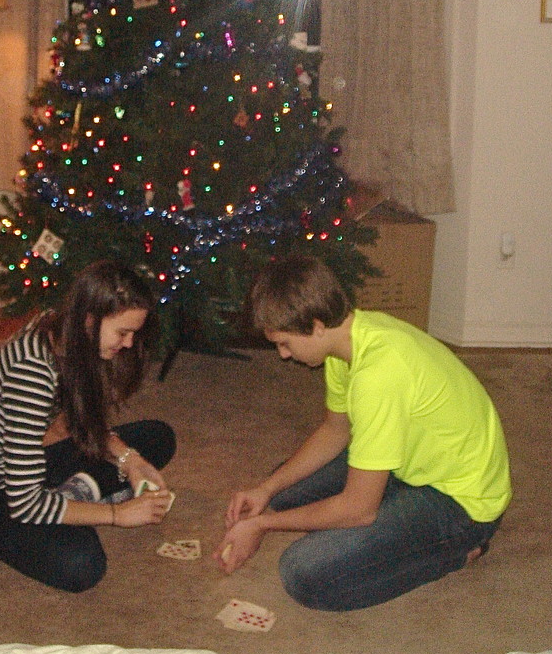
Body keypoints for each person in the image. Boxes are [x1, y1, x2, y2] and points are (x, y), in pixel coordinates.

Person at [213, 255, 511, 611]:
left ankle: (458, 550)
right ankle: (390, 507)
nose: (282, 355)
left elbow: (358, 511)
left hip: (462, 500)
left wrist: (263, 525)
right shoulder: (348, 343)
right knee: (285, 490)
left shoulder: (378, 374)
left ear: (317, 325)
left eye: (285, 343)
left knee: (305, 574)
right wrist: (264, 490)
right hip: (412, 464)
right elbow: (334, 430)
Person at [0, 260, 176, 592]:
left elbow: (73, 421)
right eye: (123, 332)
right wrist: (118, 514)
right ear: (90, 321)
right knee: (81, 564)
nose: (129, 344)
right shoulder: (31, 373)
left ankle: (72, 496)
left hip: (23, 461)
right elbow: (25, 501)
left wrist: (129, 459)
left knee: (156, 438)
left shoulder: (60, 330)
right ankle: (75, 499)